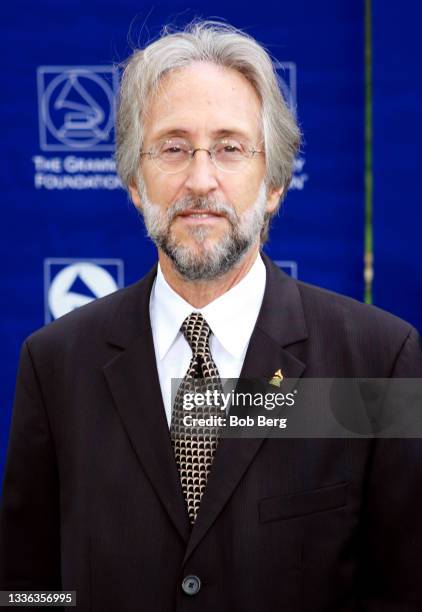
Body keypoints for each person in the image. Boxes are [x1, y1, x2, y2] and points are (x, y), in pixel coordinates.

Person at [1, 20, 422, 612]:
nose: (201, 181)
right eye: (173, 148)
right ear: (132, 180)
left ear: (274, 182)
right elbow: (27, 587)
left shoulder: (380, 361)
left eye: (230, 147)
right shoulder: (55, 363)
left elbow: (403, 589)